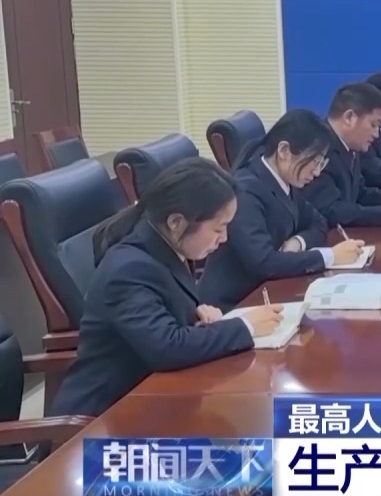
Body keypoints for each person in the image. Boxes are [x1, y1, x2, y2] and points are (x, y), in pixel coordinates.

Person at [50, 158, 284, 417]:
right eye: (219, 228)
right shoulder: (128, 269)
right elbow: (167, 347)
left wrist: (194, 317)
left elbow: (161, 316)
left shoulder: (165, 247)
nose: (225, 238)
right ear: (176, 222)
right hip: (102, 418)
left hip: (151, 400)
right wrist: (245, 326)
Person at [200, 109, 368, 311]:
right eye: (314, 162)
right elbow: (263, 263)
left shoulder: (284, 180)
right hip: (233, 305)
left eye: (321, 163)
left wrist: (297, 242)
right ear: (284, 151)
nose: (317, 172)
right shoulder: (245, 190)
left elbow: (318, 222)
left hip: (270, 291)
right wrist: (330, 256)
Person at [302, 83, 381, 227]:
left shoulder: (350, 148)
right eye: (373, 125)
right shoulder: (318, 150)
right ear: (349, 118)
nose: (376, 134)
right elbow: (330, 211)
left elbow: (360, 194)